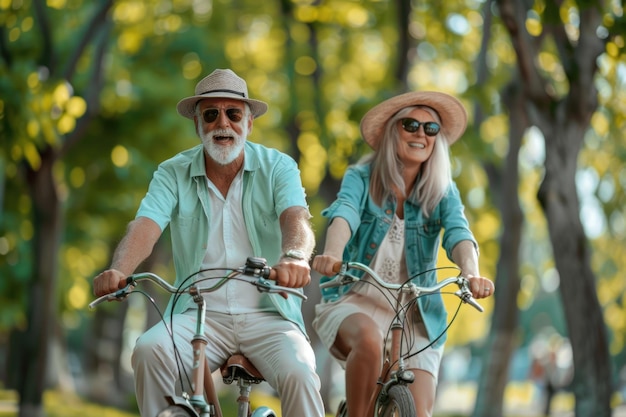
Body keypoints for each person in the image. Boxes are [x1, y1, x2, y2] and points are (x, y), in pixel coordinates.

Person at [93, 68, 325, 417]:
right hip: (199, 315)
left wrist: (294, 256)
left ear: (249, 123)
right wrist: (118, 270)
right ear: (197, 125)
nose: (222, 124)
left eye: (233, 114)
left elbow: (297, 219)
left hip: (269, 315)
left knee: (300, 372)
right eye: (211, 114)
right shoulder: (172, 172)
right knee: (148, 350)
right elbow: (145, 225)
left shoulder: (279, 167)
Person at [311, 91, 495, 417]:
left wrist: (471, 272)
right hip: (354, 301)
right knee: (368, 342)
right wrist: (333, 253)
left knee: (419, 413)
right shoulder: (361, 177)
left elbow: (458, 233)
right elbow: (346, 213)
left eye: (430, 128)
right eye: (410, 124)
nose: (421, 134)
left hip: (415, 317)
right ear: (392, 130)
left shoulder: (443, 191)